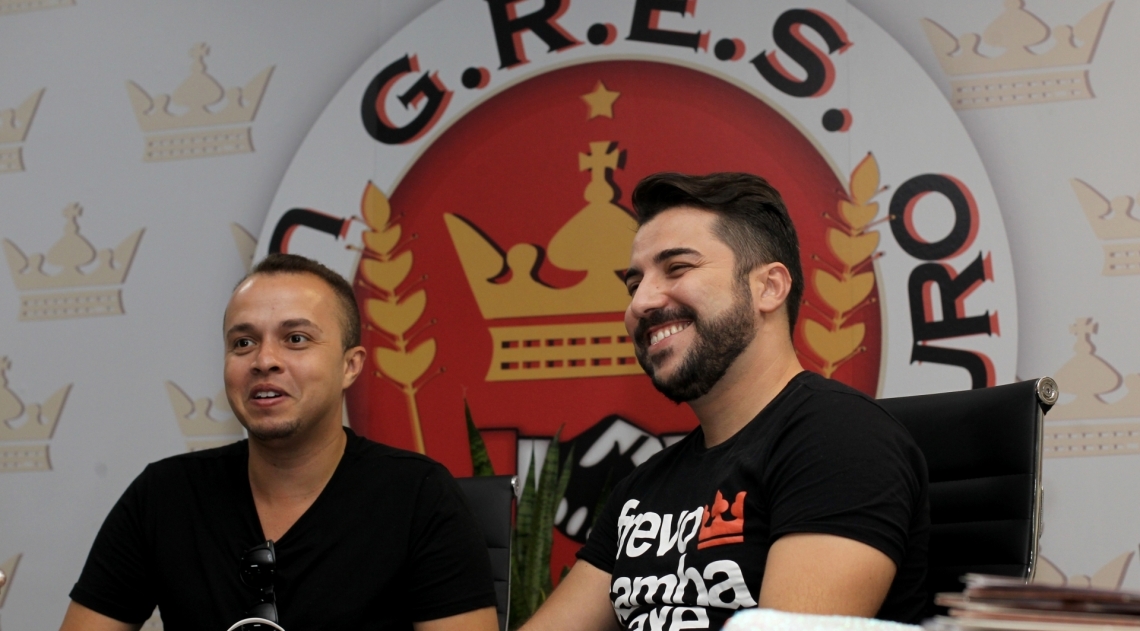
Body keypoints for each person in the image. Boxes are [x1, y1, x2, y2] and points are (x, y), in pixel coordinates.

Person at [521, 173, 929, 630]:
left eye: (676, 268)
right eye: (633, 284)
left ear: (769, 287)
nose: (641, 302)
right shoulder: (643, 487)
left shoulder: (841, 439)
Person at [60, 254, 499, 631]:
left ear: (351, 365)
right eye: (243, 342)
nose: (264, 360)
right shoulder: (163, 496)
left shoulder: (418, 497)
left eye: (296, 339)